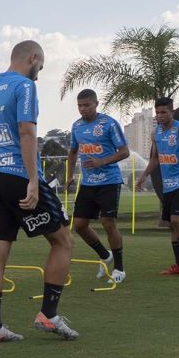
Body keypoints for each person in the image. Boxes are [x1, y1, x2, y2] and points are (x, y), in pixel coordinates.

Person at [0, 41, 77, 343]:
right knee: (62, 241)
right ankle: (48, 314)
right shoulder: (25, 87)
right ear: (32, 58)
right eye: (40, 67)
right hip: (19, 176)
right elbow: (27, 132)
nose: (38, 75)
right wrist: (32, 179)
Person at [65, 89, 129, 283]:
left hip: (109, 181)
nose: (82, 109)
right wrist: (69, 176)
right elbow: (73, 152)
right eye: (79, 106)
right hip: (87, 183)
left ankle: (119, 269)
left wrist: (102, 162)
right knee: (79, 225)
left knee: (108, 222)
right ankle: (104, 255)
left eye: (86, 105)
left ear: (96, 104)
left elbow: (124, 151)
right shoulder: (76, 126)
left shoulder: (108, 123)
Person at [136, 97, 179, 276]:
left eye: (164, 112)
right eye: (157, 113)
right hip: (167, 185)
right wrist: (143, 176)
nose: (160, 116)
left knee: (177, 221)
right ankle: (178, 264)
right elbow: (155, 158)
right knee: (171, 225)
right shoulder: (156, 133)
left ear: (172, 112)